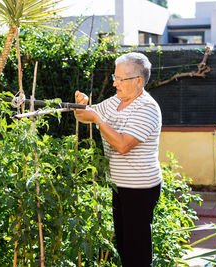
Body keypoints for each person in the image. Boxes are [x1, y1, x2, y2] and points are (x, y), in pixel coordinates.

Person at [74, 52, 162, 267]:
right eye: (115, 77)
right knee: (123, 245)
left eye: (120, 79)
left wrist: (97, 119)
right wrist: (81, 104)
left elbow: (122, 145)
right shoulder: (116, 101)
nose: (115, 84)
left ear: (138, 81)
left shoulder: (147, 108)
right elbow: (85, 115)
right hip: (120, 186)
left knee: (137, 249)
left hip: (140, 188)